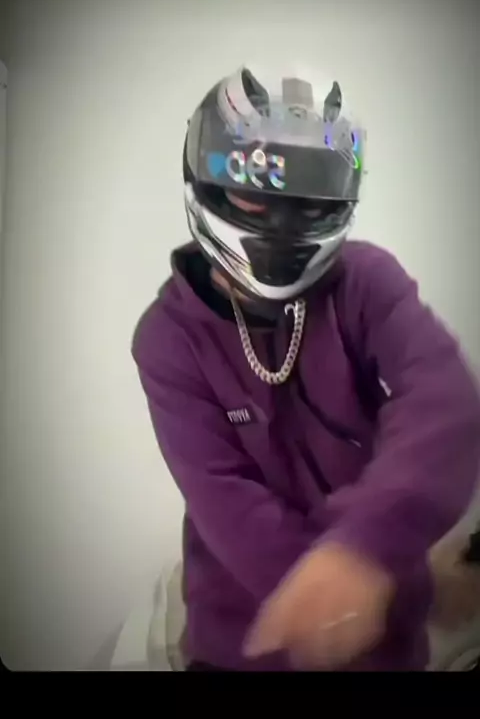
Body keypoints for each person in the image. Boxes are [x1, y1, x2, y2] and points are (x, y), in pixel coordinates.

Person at [132, 64, 480, 671]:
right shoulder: (168, 337)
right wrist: (404, 587)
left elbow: (443, 402)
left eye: (308, 197)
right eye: (255, 188)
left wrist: (371, 548)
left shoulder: (365, 280)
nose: (282, 219)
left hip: (386, 649)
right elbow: (232, 510)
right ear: (206, 181)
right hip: (244, 646)